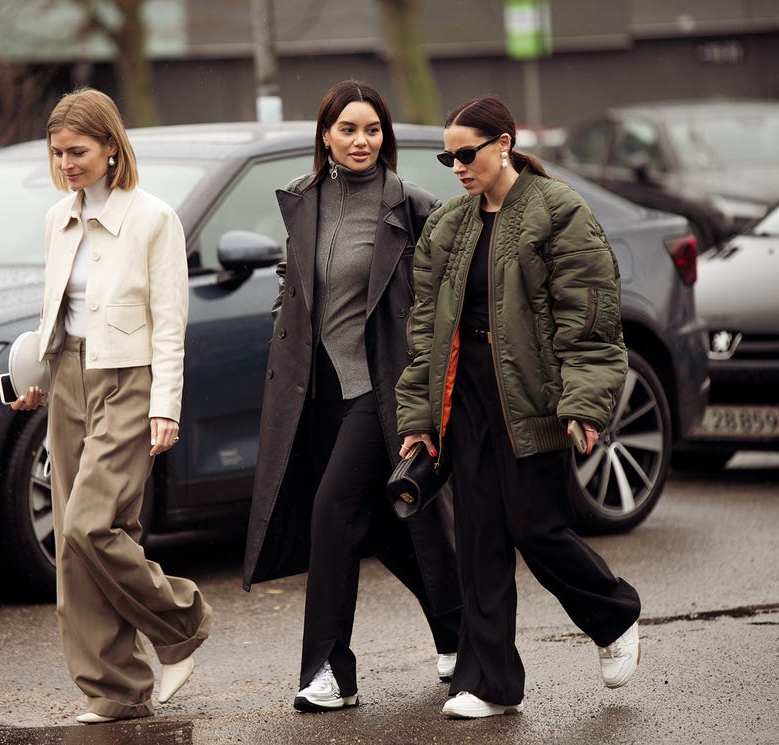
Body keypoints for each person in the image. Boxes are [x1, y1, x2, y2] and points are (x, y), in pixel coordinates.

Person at [395, 95, 642, 720]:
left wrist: (584, 403)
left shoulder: (559, 212)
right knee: (478, 540)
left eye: (467, 153)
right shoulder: (448, 225)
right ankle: (490, 683)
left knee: (537, 529)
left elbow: (589, 318)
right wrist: (420, 417)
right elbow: (426, 328)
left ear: (504, 142)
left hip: (533, 398)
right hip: (468, 399)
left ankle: (613, 614)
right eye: (447, 156)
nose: (456, 166)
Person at [242, 79, 462, 713]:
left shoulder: (413, 207)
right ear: (325, 136)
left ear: (385, 137)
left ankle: (329, 672)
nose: (361, 141)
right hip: (318, 393)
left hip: (382, 389)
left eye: (372, 130)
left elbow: (437, 306)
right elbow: (299, 291)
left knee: (332, 513)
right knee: (393, 528)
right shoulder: (303, 203)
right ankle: (459, 634)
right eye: (348, 130)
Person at [10, 87, 212, 724]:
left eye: (78, 150)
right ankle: (115, 689)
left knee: (89, 525)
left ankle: (182, 623)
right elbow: (56, 311)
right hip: (67, 378)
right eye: (58, 152)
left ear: (110, 148)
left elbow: (170, 321)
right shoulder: (55, 218)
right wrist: (36, 373)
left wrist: (166, 404)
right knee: (77, 548)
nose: (67, 162)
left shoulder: (153, 218)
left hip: (129, 380)